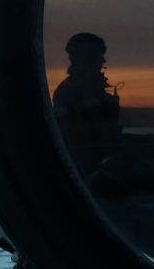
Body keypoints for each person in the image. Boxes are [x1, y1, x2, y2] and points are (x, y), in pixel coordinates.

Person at [52, 33, 121, 173]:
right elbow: (83, 140)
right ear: (86, 59)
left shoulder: (93, 90)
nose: (104, 60)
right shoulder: (70, 91)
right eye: (98, 56)